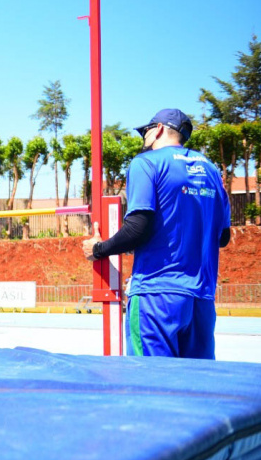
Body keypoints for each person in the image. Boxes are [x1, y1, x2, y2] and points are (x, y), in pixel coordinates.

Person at [83, 108, 231, 359]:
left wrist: (98, 249)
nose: (144, 138)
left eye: (146, 131)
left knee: (151, 386)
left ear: (159, 130)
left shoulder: (146, 163)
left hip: (157, 296)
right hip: (201, 300)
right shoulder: (212, 171)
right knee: (198, 388)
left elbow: (137, 228)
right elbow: (223, 237)